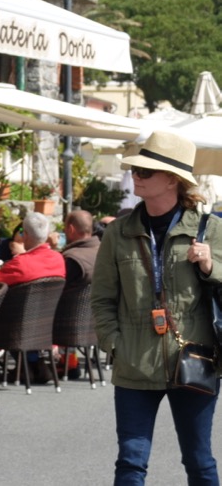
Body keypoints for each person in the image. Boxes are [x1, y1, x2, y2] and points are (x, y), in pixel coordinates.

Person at [91, 130, 222, 485]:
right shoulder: (118, 232)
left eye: (145, 172)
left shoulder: (210, 230)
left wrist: (211, 267)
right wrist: (113, 343)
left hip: (194, 359)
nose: (136, 176)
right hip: (134, 362)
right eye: (136, 170)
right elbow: (101, 297)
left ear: (173, 180)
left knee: (199, 461)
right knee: (131, 462)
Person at [0, 212, 66, 287]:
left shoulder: (20, 263)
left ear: (25, 235)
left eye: (22, 232)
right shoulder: (59, 259)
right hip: (48, 307)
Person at [61, 209, 99, 295]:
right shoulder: (106, 251)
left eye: (65, 229)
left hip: (68, 307)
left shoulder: (72, 259)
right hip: (97, 307)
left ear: (71, 229)